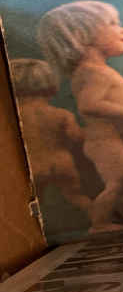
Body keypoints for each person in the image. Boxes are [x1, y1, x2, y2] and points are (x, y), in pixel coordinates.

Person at [37, 1, 123, 232]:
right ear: (83, 35)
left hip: (113, 141)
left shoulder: (95, 71)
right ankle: (99, 224)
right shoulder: (93, 73)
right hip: (105, 142)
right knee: (118, 183)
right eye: (113, 23)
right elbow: (89, 105)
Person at [10, 58, 91, 218]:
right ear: (50, 84)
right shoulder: (61, 115)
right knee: (77, 197)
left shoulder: (12, 117)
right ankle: (101, 222)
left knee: (30, 203)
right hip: (61, 161)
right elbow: (77, 137)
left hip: (31, 165)